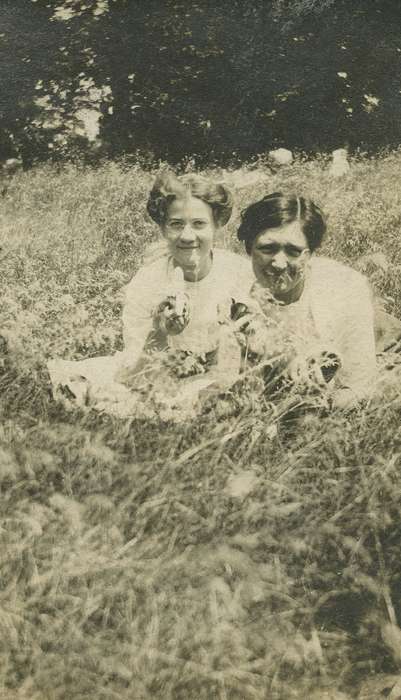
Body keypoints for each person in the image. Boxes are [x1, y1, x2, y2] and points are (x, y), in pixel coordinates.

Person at [48, 171, 254, 418]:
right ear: (163, 228)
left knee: (223, 400)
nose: (187, 236)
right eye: (176, 224)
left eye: (199, 224)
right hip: (159, 375)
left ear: (217, 225)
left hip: (221, 374)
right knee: (95, 389)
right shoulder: (148, 280)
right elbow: (136, 373)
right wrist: (159, 332)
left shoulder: (239, 272)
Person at [233, 192, 377, 410]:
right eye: (268, 248)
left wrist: (319, 405)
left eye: (293, 251)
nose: (279, 263)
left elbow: (360, 385)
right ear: (249, 248)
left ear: (309, 254)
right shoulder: (235, 293)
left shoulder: (345, 289)